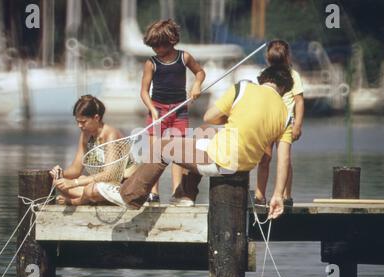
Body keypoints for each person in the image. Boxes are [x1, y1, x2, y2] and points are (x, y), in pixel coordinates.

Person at [97, 65, 294, 219]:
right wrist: (277, 195)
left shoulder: (243, 88)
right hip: (242, 167)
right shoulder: (286, 115)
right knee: (202, 132)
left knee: (162, 146)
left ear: (262, 80)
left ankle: (129, 196)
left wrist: (232, 115)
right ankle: (185, 195)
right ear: (283, 89)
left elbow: (210, 116)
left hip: (220, 160)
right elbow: (284, 159)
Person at [141, 19, 206, 206]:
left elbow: (200, 72)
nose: (156, 49)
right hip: (158, 109)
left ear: (170, 41)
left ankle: (178, 191)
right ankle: (153, 193)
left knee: (178, 152)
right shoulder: (151, 63)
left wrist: (196, 85)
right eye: (153, 46)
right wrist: (152, 109)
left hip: (179, 109)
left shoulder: (184, 57)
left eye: (158, 45)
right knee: (154, 151)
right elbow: (144, 91)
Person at [49, 95, 137, 205]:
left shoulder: (110, 134)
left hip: (123, 186)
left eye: (83, 122)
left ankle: (76, 201)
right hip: (102, 185)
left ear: (96, 118)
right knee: (59, 183)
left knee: (90, 189)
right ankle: (89, 198)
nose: (79, 126)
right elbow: (76, 169)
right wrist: (59, 174)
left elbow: (109, 175)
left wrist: (74, 183)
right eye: (78, 122)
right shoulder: (86, 134)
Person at [255, 40, 304, 208]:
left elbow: (299, 101)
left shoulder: (293, 75)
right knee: (264, 158)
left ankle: (285, 195)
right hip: (267, 121)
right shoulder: (264, 74)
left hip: (286, 122)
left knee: (285, 160)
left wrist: (297, 124)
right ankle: (259, 195)